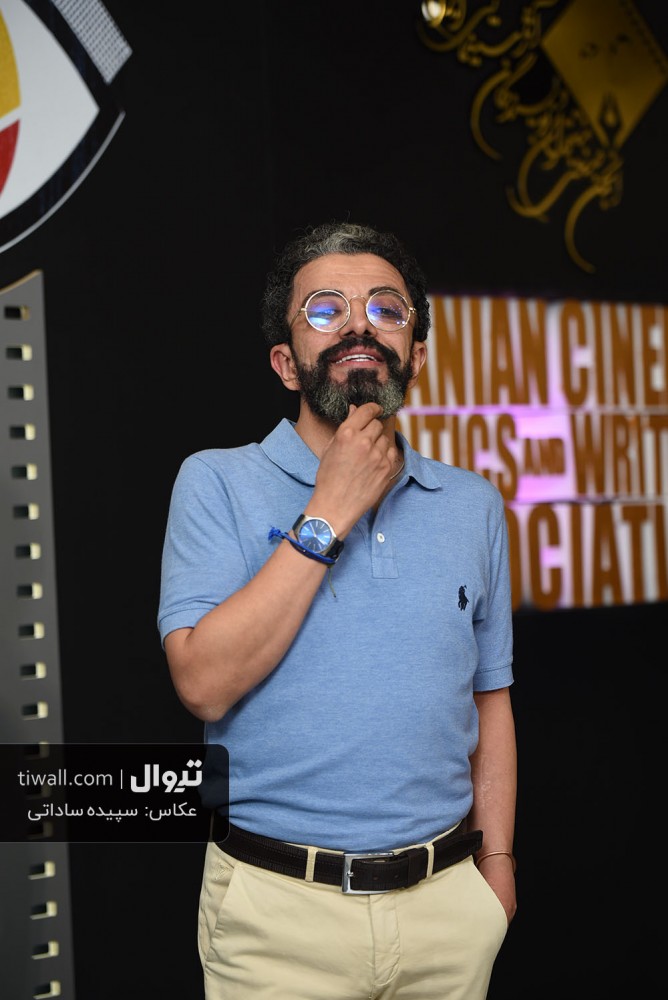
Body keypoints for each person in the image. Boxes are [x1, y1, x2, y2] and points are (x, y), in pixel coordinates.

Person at [157, 220, 517, 999]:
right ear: (286, 363)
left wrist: (495, 869)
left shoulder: (473, 504)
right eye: (325, 309)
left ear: (416, 353)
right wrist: (331, 509)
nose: (360, 324)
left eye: (387, 308)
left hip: (447, 912)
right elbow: (203, 685)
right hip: (277, 917)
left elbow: (490, 699)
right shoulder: (215, 482)